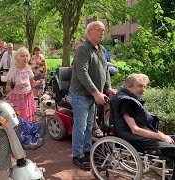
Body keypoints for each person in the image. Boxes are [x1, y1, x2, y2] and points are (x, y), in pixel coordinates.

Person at [69, 21, 117, 169]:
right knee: (80, 126)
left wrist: (108, 88)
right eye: (99, 30)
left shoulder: (101, 49)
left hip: (92, 95)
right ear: (89, 32)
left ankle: (88, 150)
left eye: (104, 30)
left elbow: (105, 71)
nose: (102, 32)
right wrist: (96, 92)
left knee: (89, 125)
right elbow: (82, 73)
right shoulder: (83, 49)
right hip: (81, 94)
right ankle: (77, 155)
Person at [111, 73, 175, 179]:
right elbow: (135, 129)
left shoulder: (127, 97)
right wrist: (162, 137)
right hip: (131, 137)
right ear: (129, 86)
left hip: (133, 133)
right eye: (140, 86)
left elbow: (145, 125)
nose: (143, 89)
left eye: (145, 86)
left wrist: (163, 136)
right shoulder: (126, 102)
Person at [5, 47, 44, 123]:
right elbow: (7, 88)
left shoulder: (28, 68)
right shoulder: (13, 69)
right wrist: (15, 86)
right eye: (22, 56)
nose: (25, 58)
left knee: (29, 120)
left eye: (26, 56)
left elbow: (32, 83)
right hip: (17, 98)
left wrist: (39, 82)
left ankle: (28, 132)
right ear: (17, 58)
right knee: (18, 120)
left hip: (28, 97)